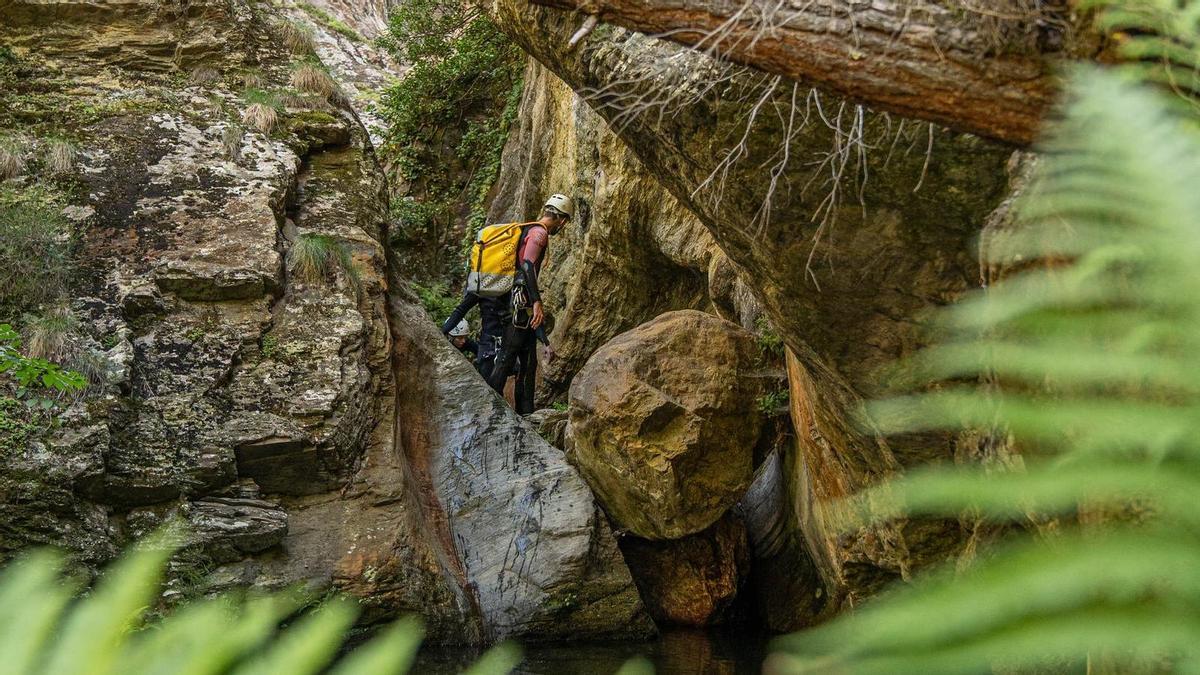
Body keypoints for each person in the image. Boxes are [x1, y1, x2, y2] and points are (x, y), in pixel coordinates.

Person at [486, 193, 572, 414]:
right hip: (520, 301)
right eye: (564, 222)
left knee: (528, 363)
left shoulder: (530, 228)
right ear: (561, 219)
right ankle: (489, 410)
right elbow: (526, 266)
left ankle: (526, 414)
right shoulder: (539, 233)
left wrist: (544, 341)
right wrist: (536, 302)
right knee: (506, 358)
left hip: (516, 303)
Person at [441, 292, 510, 377]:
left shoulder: (466, 343)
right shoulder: (445, 346)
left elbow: (477, 349)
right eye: (459, 338)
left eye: (465, 337)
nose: (463, 341)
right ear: (450, 337)